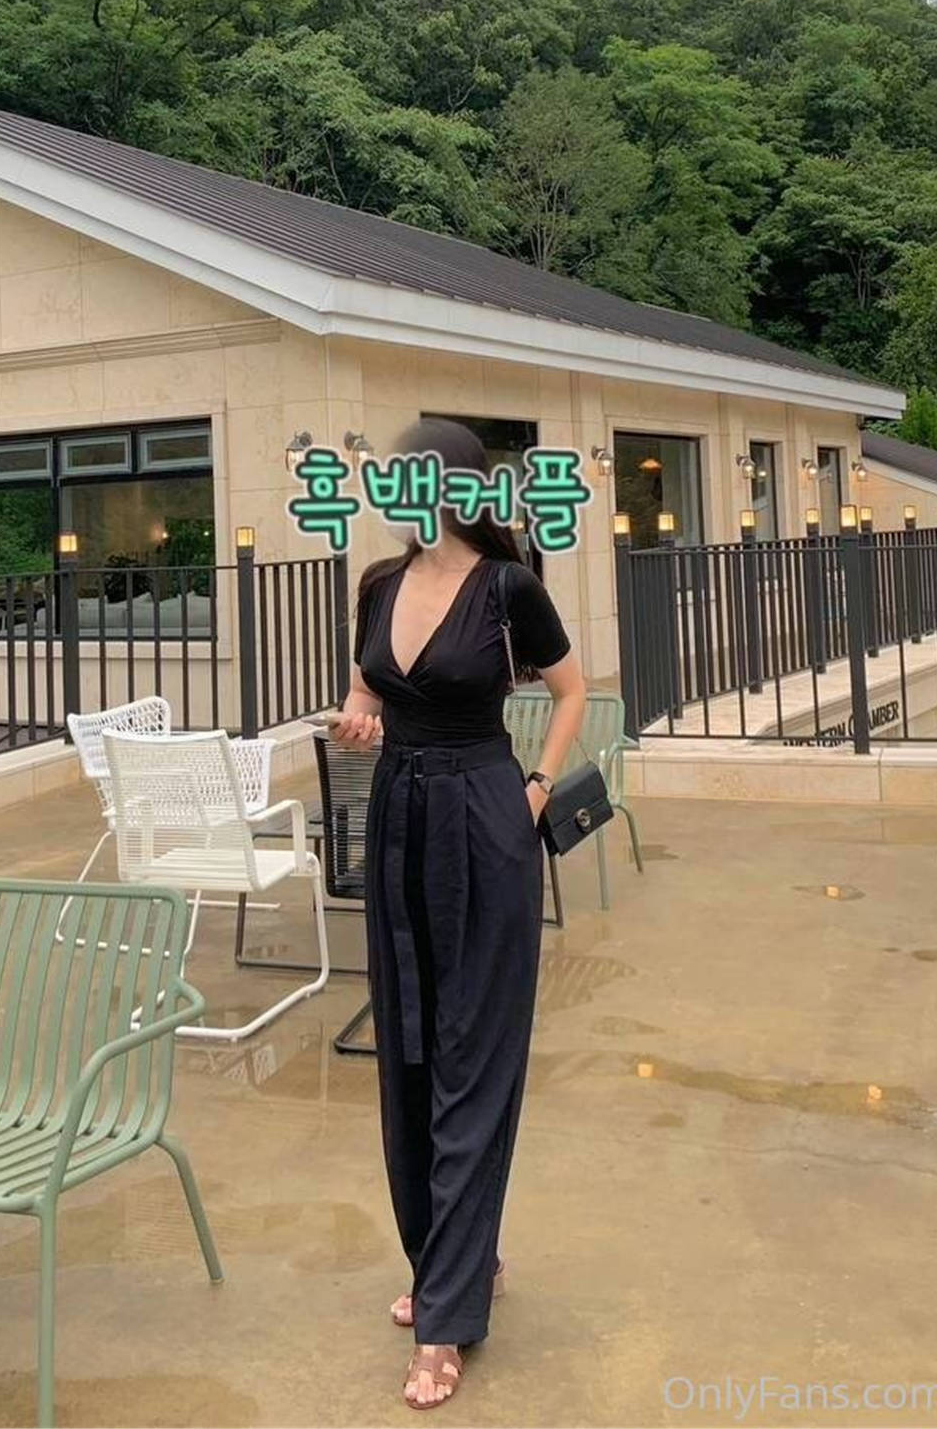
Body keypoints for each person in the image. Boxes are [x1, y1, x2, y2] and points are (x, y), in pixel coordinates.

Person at [332, 417, 587, 1411]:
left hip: (485, 819)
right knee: (407, 1052)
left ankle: (447, 1315)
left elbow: (572, 690)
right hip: (399, 819)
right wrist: (357, 722)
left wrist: (537, 787)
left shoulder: (508, 588)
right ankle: (451, 1259)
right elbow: (367, 694)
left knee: (472, 1057)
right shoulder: (377, 586)